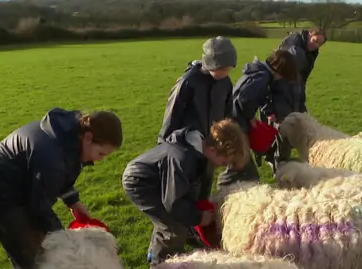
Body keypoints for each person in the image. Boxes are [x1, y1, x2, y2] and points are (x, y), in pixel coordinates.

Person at [0, 108, 123, 269]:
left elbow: (63, 175)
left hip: (23, 185)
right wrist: (65, 239)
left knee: (44, 245)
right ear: (88, 138)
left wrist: (73, 201)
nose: (100, 159)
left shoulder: (71, 137)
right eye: (101, 153)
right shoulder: (52, 154)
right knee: (31, 255)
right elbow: (39, 206)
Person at [123, 119, 250, 268]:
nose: (221, 167)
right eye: (223, 163)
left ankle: (167, 248)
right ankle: (162, 264)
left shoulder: (199, 154)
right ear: (213, 150)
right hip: (140, 183)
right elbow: (173, 202)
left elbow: (187, 191)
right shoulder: (183, 159)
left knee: (175, 218)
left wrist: (197, 210)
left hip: (159, 181)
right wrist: (198, 217)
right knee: (173, 228)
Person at [157, 36, 237, 244]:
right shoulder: (188, 82)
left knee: (203, 191)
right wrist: (164, 148)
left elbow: (228, 113)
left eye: (229, 69)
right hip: (186, 149)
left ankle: (196, 230)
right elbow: (171, 116)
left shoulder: (225, 83)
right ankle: (174, 235)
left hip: (211, 148)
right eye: (223, 68)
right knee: (183, 194)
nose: (226, 73)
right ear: (211, 63)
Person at [217, 49, 299, 187]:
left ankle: (230, 192)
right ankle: (223, 192)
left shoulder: (258, 73)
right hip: (235, 125)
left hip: (234, 121)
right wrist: (249, 117)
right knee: (242, 166)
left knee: (241, 165)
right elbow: (243, 100)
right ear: (280, 69)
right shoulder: (261, 78)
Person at [277, 27, 327, 113]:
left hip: (297, 84)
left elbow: (304, 75)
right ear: (310, 34)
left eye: (320, 44)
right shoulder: (294, 41)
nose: (316, 46)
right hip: (280, 86)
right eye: (315, 41)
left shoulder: (312, 52)